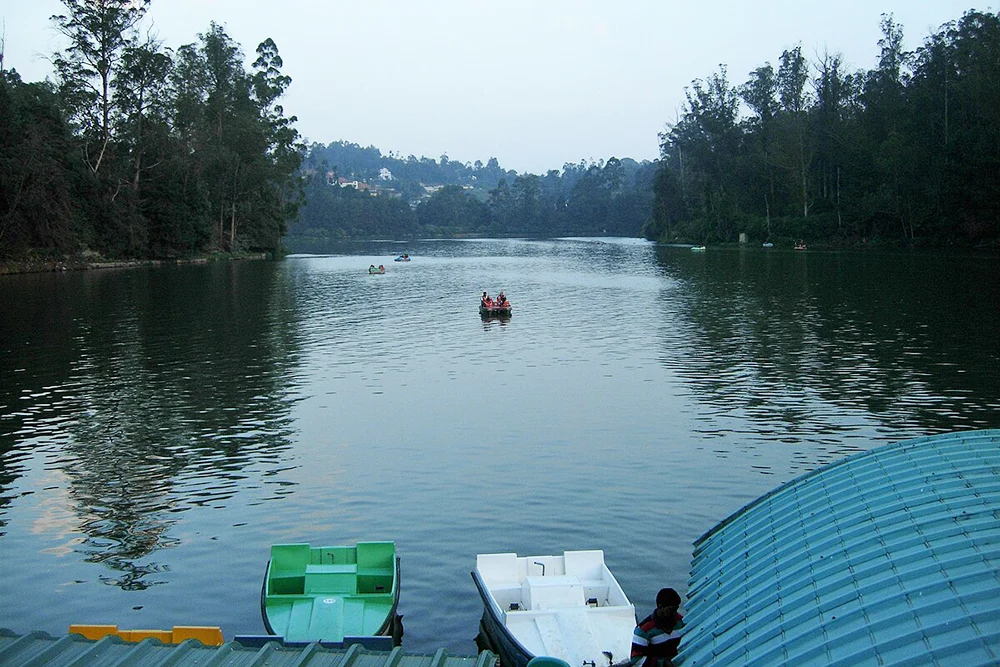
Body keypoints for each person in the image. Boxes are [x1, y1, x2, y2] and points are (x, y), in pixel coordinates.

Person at [630, 587, 685, 667]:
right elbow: (636, 659)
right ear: (660, 607)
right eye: (671, 610)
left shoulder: (680, 622)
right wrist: (662, 664)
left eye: (676, 609)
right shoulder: (643, 630)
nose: (674, 613)